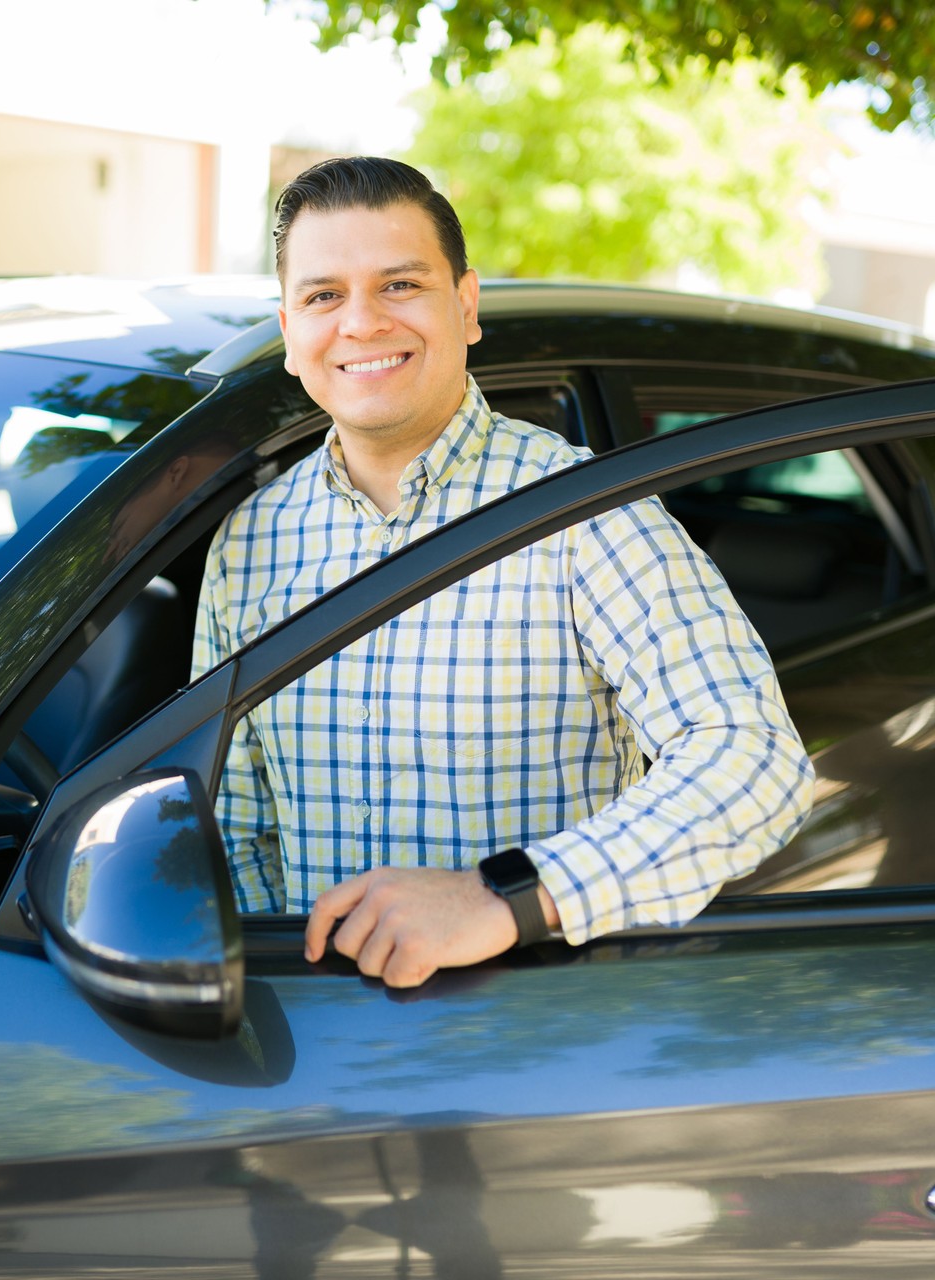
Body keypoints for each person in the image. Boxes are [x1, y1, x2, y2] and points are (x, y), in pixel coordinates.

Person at [190, 156, 814, 989]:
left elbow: (754, 759)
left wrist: (505, 899)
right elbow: (232, 825)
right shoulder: (249, 546)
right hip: (314, 1054)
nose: (362, 322)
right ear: (290, 331)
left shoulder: (583, 512)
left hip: (530, 1043)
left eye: (401, 284)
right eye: (323, 295)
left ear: (467, 305)